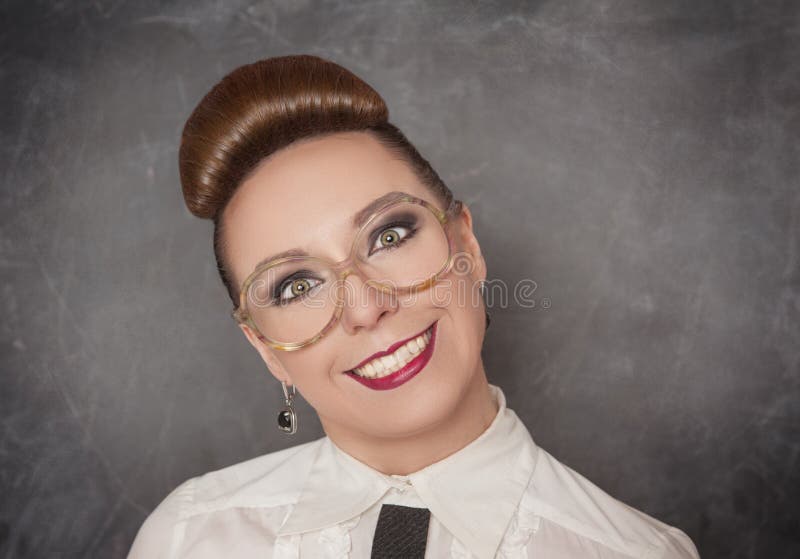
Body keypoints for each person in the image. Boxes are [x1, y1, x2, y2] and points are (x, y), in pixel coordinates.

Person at [127, 54, 700, 559]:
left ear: (466, 247)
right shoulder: (185, 539)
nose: (366, 307)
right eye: (297, 286)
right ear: (264, 347)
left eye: (389, 236)